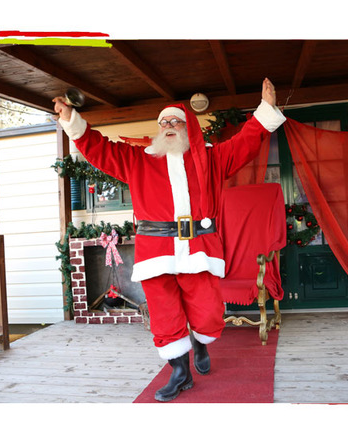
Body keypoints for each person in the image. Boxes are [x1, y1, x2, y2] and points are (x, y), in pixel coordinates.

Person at [53, 78, 286, 401]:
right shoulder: (138, 159)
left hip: (199, 249)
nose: (169, 127)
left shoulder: (211, 158)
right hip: (155, 251)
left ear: (188, 126)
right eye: (164, 123)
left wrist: (265, 110)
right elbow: (100, 150)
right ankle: (180, 370)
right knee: (164, 314)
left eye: (176, 121)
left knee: (207, 311)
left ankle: (201, 342)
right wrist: (70, 120)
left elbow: (246, 142)